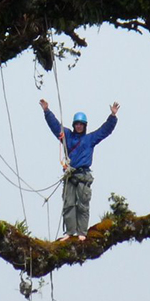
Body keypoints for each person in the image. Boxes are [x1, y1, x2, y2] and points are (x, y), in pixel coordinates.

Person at [40, 99, 120, 240]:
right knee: (68, 204)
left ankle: (82, 233)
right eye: (76, 124)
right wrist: (47, 111)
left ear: (84, 126)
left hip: (83, 176)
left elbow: (104, 131)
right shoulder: (67, 136)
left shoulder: (90, 139)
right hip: (70, 176)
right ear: (74, 125)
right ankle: (70, 232)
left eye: (81, 124)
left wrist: (112, 116)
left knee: (83, 205)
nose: (78, 126)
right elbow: (55, 126)